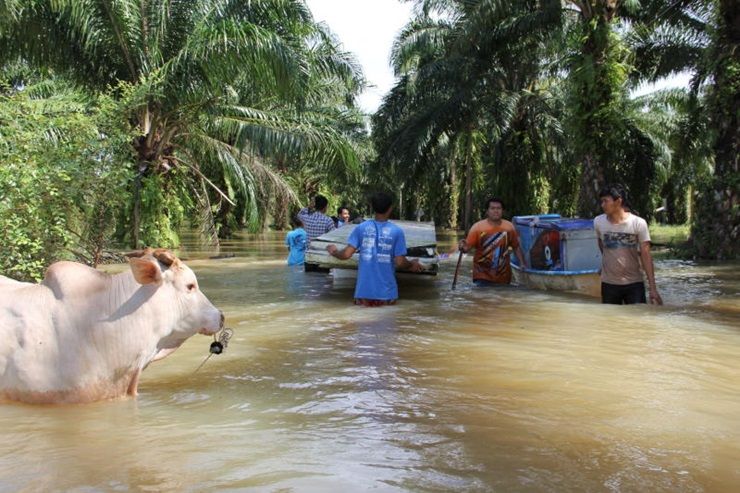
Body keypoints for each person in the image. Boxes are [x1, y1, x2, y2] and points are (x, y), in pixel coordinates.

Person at [326, 192, 424, 305]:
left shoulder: (361, 228)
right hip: (386, 295)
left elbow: (346, 255)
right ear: (390, 208)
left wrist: (334, 251)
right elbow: (400, 262)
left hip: (363, 295)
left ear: (373, 208)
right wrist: (412, 264)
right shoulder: (397, 232)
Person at [594, 184, 663, 305]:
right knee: (610, 322)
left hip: (634, 284)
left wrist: (653, 289)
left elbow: (646, 255)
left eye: (606, 201)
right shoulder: (598, 222)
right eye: (601, 201)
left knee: (638, 320)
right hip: (609, 284)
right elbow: (601, 243)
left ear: (618, 201)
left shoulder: (638, 223)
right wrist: (607, 262)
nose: (602, 205)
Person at [458, 197, 527, 286]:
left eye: (498, 208)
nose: (496, 211)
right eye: (492, 208)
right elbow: (466, 248)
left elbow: (516, 246)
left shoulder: (509, 227)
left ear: (503, 211)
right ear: (487, 211)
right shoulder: (477, 228)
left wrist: (522, 263)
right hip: (482, 276)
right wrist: (462, 246)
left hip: (503, 277)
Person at [298, 195, 336, 271]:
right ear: (325, 207)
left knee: (309, 281)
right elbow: (334, 236)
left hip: (309, 257)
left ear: (314, 206)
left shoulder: (307, 218)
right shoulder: (328, 220)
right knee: (323, 280)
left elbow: (299, 214)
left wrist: (309, 206)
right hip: (322, 256)